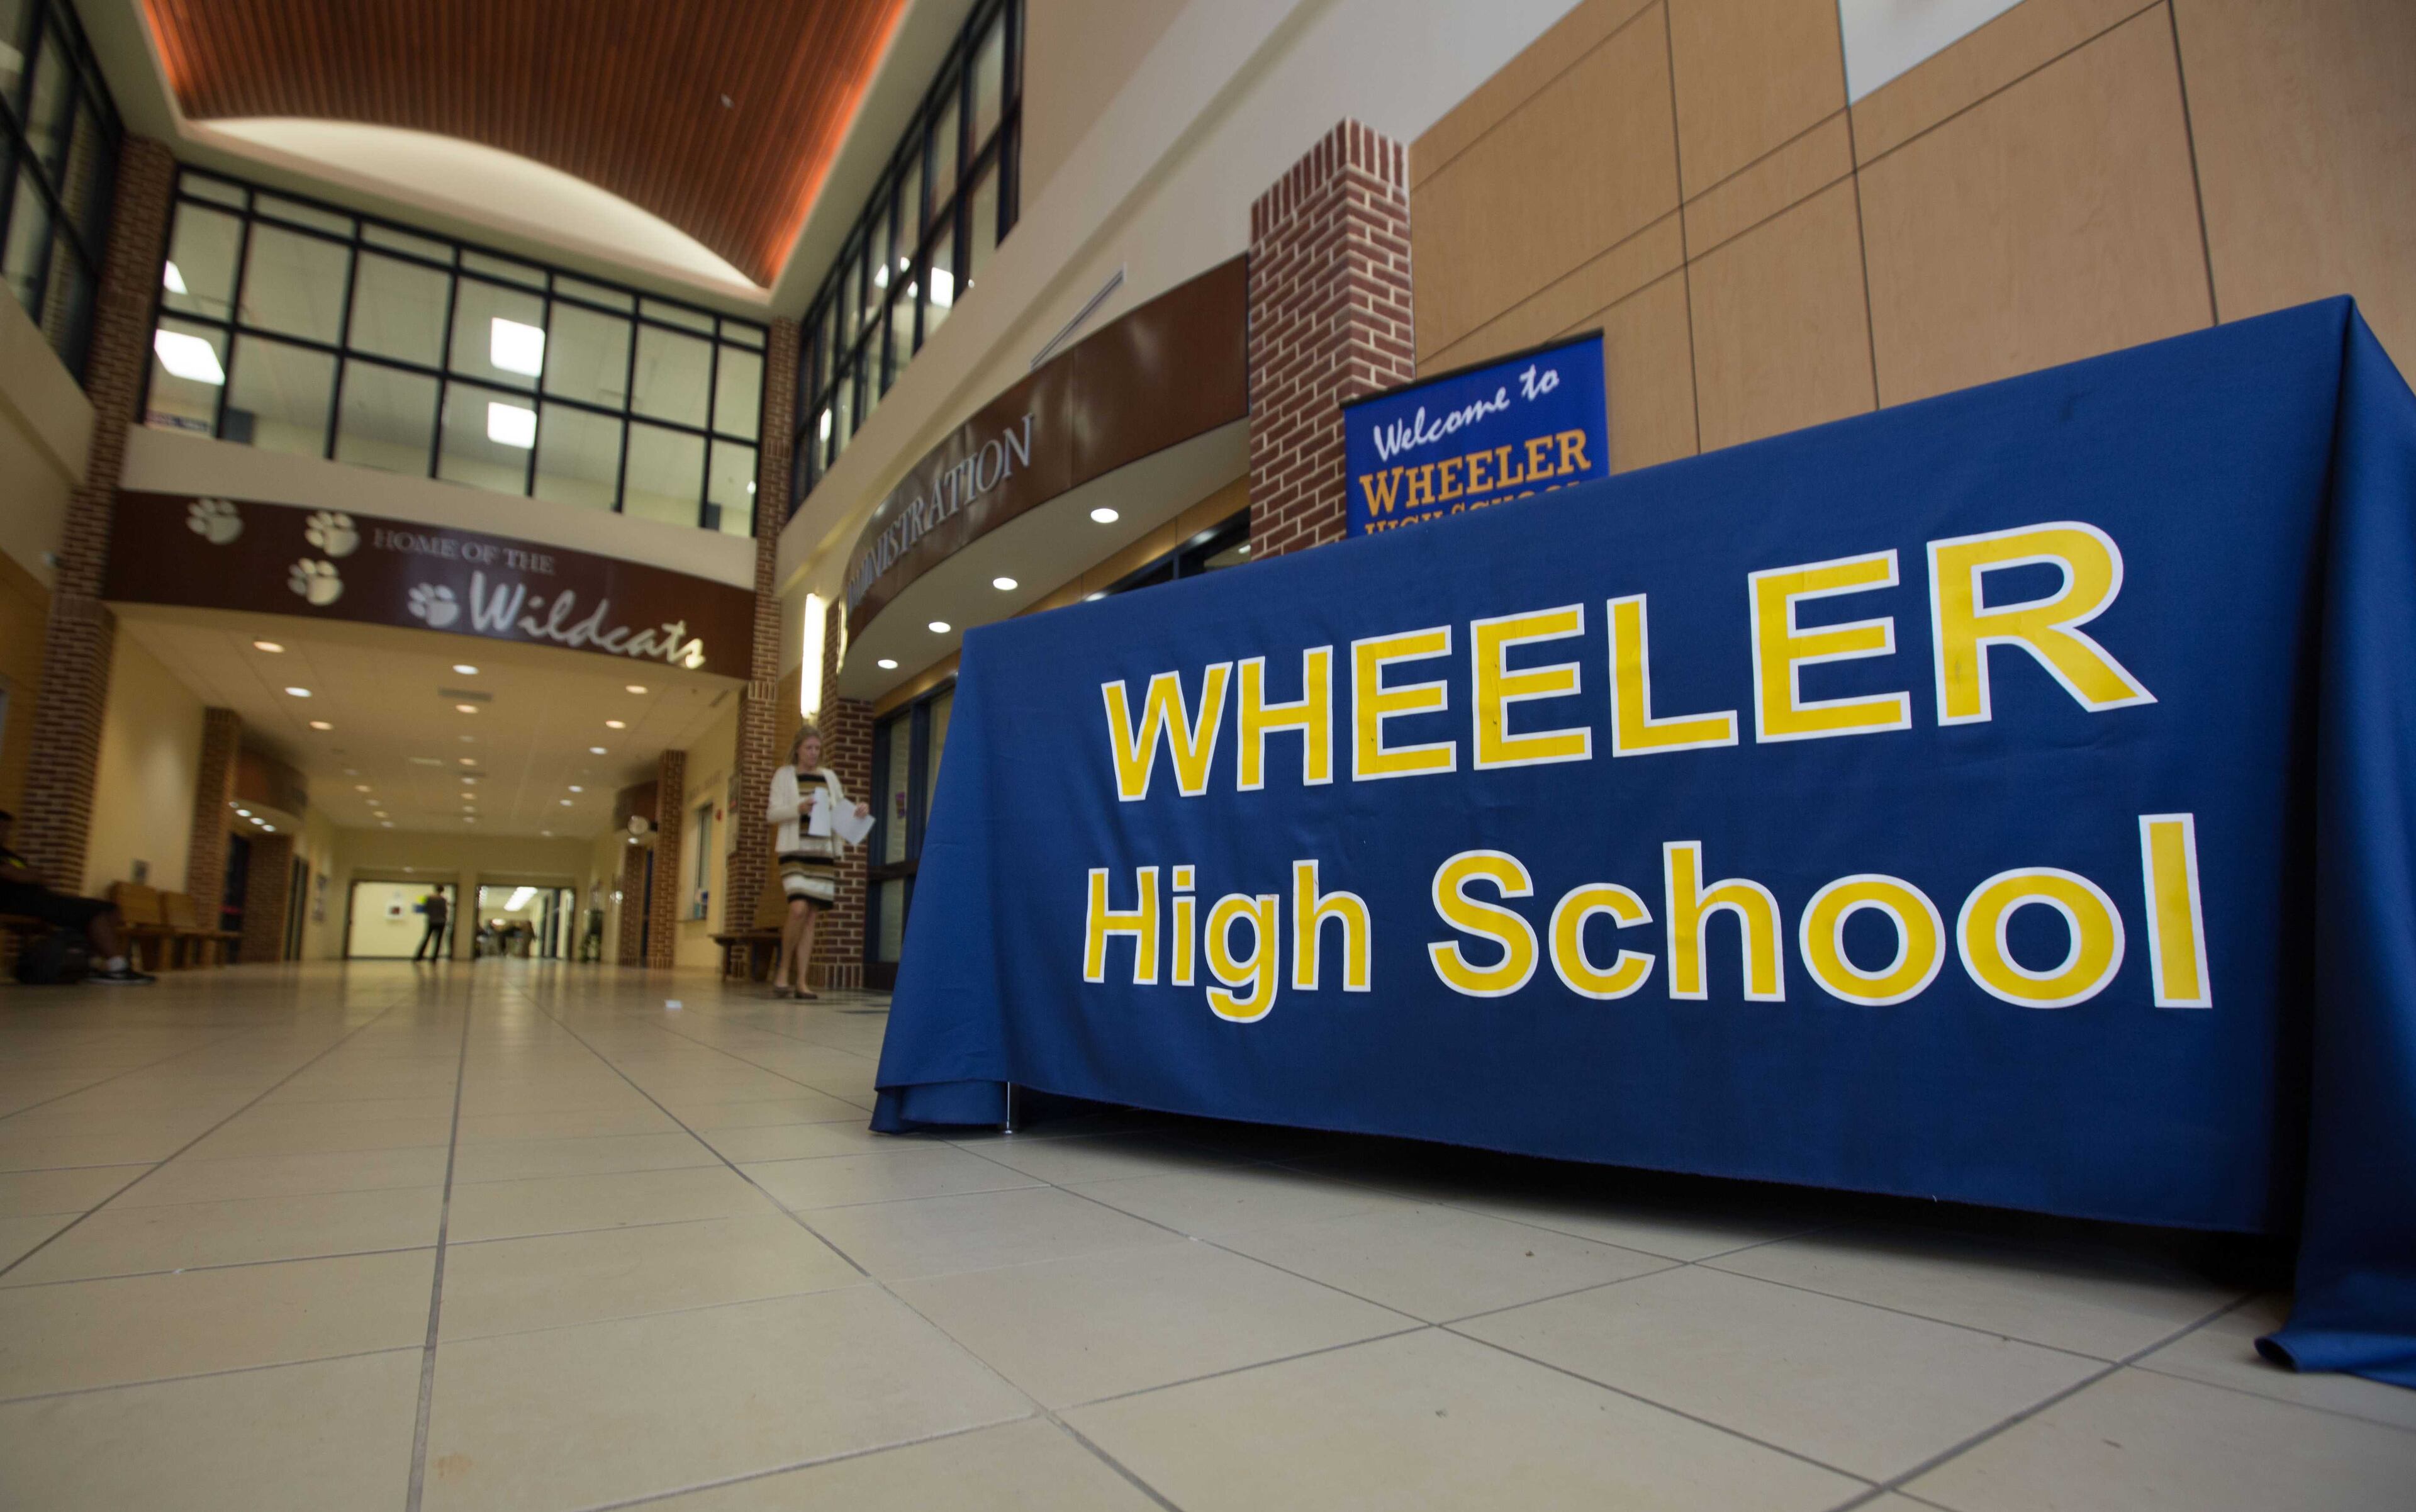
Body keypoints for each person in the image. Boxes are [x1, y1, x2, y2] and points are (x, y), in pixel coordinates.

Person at [766, 722, 870, 1000]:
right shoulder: (784, 776)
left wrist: (859, 811)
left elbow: (840, 809)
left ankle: (802, 981)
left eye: (817, 749)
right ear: (798, 749)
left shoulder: (829, 777)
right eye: (809, 748)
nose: (813, 753)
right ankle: (783, 968)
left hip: (822, 853)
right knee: (798, 908)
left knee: (811, 917)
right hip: (794, 851)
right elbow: (772, 814)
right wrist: (797, 808)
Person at [0, 810, 154, 983]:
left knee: (110, 909)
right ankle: (117, 968)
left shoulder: (9, 855)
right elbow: (18, 875)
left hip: (41, 898)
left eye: (7, 829)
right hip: (17, 903)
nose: (6, 834)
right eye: (3, 828)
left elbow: (36, 876)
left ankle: (93, 964)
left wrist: (27, 875)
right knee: (92, 913)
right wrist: (26, 875)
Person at [413, 888, 449, 962]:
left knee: (426, 938)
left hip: (431, 921)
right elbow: (444, 911)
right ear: (442, 891)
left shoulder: (429, 898)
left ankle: (419, 956)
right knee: (438, 941)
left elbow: (426, 909)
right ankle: (434, 958)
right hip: (441, 922)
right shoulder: (443, 900)